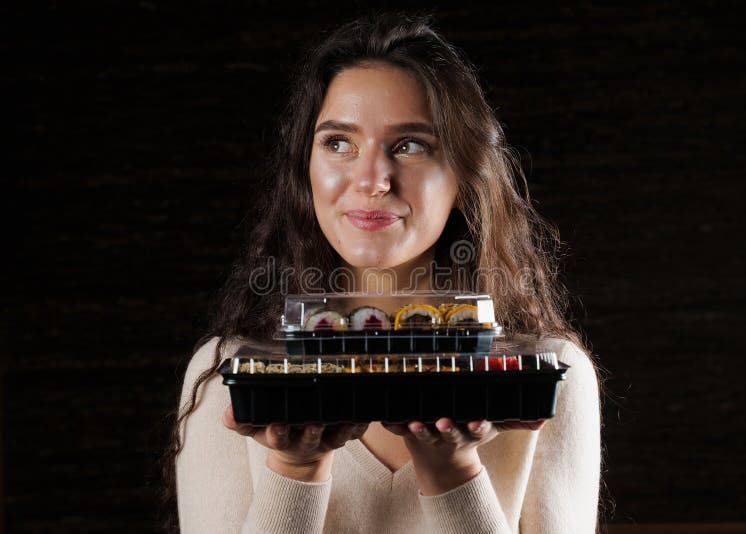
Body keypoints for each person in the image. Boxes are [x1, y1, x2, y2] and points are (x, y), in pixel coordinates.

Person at [167, 12, 601, 534]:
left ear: (464, 176)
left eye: (410, 145)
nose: (373, 180)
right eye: (339, 143)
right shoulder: (225, 376)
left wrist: (454, 473)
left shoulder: (551, 376)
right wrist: (294, 469)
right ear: (306, 169)